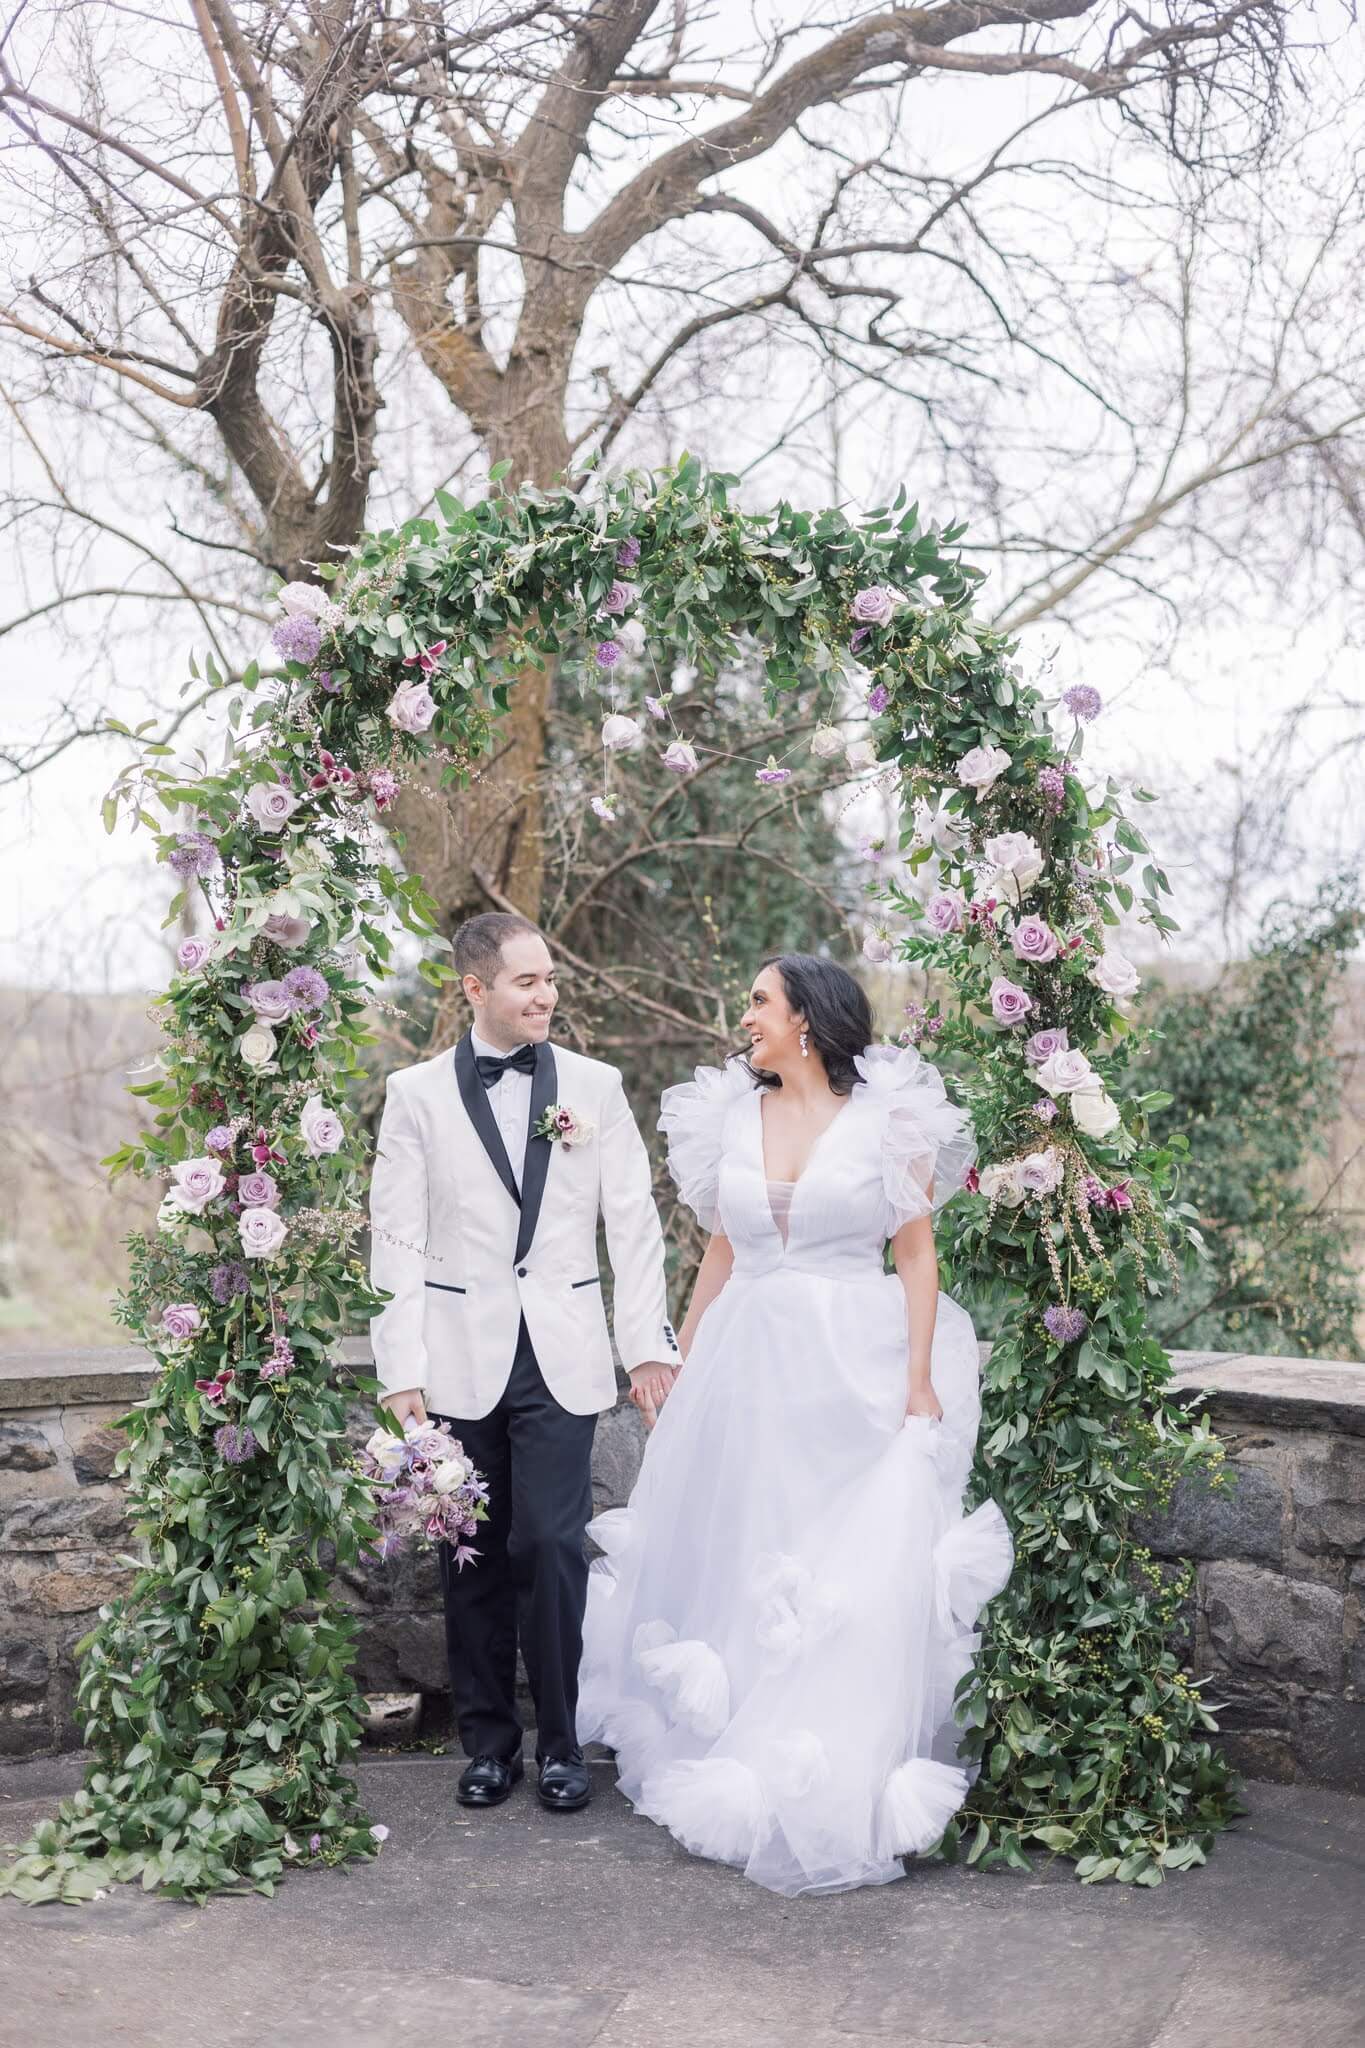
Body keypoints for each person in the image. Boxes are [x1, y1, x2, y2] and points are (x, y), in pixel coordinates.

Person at [577, 953, 1013, 1895]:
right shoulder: (730, 1115)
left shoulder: (889, 1123)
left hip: (849, 1368)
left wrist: (917, 1379)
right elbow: (720, 1251)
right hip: (745, 1362)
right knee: (746, 1543)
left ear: (805, 1020)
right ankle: (736, 1757)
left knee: (839, 1566)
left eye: (759, 1002)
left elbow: (916, 1255)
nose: (745, 1017)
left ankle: (827, 1768)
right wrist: (683, 1354)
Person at [368, 912, 679, 1814]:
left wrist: (645, 1345)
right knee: (468, 1555)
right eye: (526, 982)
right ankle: (489, 1746)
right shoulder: (414, 1094)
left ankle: (561, 1745)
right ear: (475, 988)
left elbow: (633, 1221)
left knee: (548, 1545)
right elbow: (395, 1236)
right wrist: (399, 1366)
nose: (546, 995)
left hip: (562, 1352)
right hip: (456, 1356)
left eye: (549, 979)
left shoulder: (596, 1086)